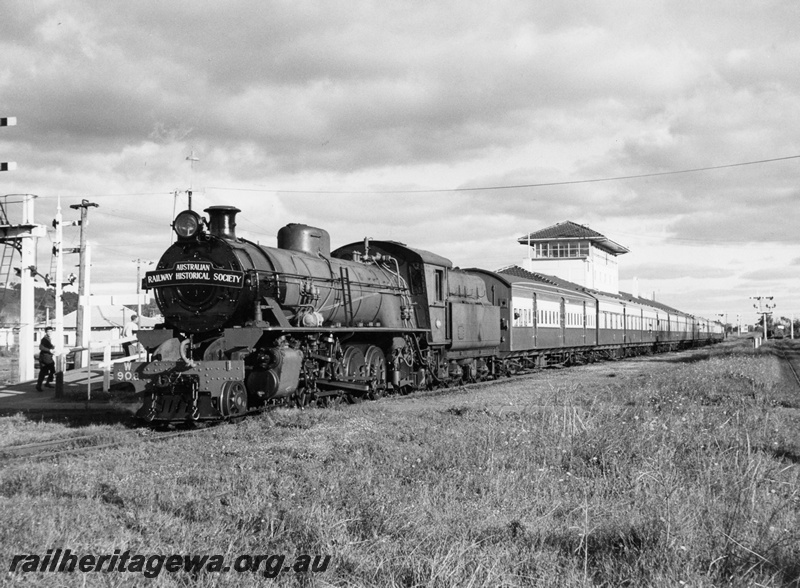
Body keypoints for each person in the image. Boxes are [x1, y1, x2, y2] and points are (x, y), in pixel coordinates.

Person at [36, 327, 55, 392]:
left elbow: (48, 346)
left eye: (50, 331)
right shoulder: (44, 339)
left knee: (44, 371)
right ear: (46, 332)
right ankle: (45, 383)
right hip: (45, 357)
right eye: (48, 331)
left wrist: (52, 347)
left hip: (46, 357)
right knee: (51, 369)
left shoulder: (48, 339)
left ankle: (41, 384)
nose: (49, 333)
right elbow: (41, 347)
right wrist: (50, 350)